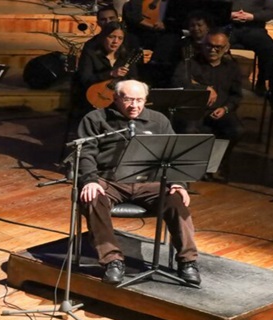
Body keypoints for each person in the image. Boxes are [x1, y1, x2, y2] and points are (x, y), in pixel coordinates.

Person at [77, 79, 201, 285]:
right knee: (92, 198)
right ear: (116, 98)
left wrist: (178, 183)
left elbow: (173, 154)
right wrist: (90, 180)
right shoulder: (96, 118)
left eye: (139, 100)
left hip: (149, 182)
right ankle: (112, 261)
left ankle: (187, 261)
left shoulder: (158, 120)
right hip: (109, 181)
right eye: (128, 100)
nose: (134, 105)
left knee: (175, 200)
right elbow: (85, 153)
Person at [171, 29, 243, 181]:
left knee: (236, 130)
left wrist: (225, 108)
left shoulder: (232, 68)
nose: (213, 50)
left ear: (226, 48)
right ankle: (189, 170)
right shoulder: (190, 63)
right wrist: (204, 88)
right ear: (202, 46)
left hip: (219, 111)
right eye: (209, 46)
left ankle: (214, 165)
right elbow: (178, 82)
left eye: (218, 47)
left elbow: (236, 95)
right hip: (194, 110)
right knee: (189, 130)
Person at [73, 22, 139, 115]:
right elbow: (85, 79)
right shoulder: (90, 53)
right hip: (92, 98)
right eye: (111, 37)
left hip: (118, 99)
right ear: (103, 37)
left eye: (120, 38)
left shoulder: (126, 57)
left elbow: (133, 80)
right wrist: (110, 74)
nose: (115, 41)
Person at [121, 0, 181, 87]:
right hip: (140, 34)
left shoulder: (173, 4)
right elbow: (134, 17)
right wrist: (152, 26)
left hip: (164, 35)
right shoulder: (135, 3)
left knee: (170, 40)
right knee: (131, 41)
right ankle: (134, 78)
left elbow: (179, 20)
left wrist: (166, 25)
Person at [224, 0, 273, 95]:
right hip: (227, 27)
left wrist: (252, 16)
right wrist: (229, 14)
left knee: (270, 47)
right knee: (210, 42)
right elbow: (210, 8)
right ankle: (217, 81)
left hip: (254, 28)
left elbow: (272, 11)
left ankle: (262, 82)